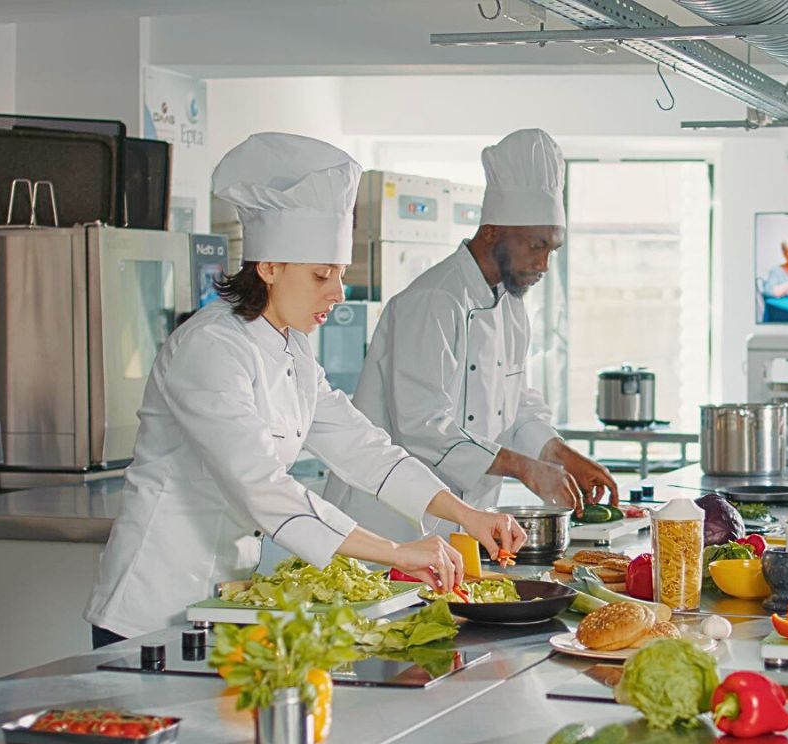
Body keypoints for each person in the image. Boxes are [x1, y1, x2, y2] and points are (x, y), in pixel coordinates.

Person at [84, 133, 524, 645]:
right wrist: (397, 551)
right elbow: (261, 486)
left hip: (224, 601)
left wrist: (465, 514)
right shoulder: (210, 349)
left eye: (338, 274)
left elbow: (364, 449)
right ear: (268, 268)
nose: (338, 293)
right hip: (150, 609)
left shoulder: (291, 346)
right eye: (322, 276)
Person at [323, 129, 617, 542]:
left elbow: (517, 407)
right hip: (386, 523)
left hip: (461, 523)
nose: (544, 264)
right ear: (494, 231)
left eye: (552, 249)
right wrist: (523, 467)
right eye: (536, 245)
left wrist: (561, 455)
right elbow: (421, 425)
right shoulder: (433, 300)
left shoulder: (511, 306)